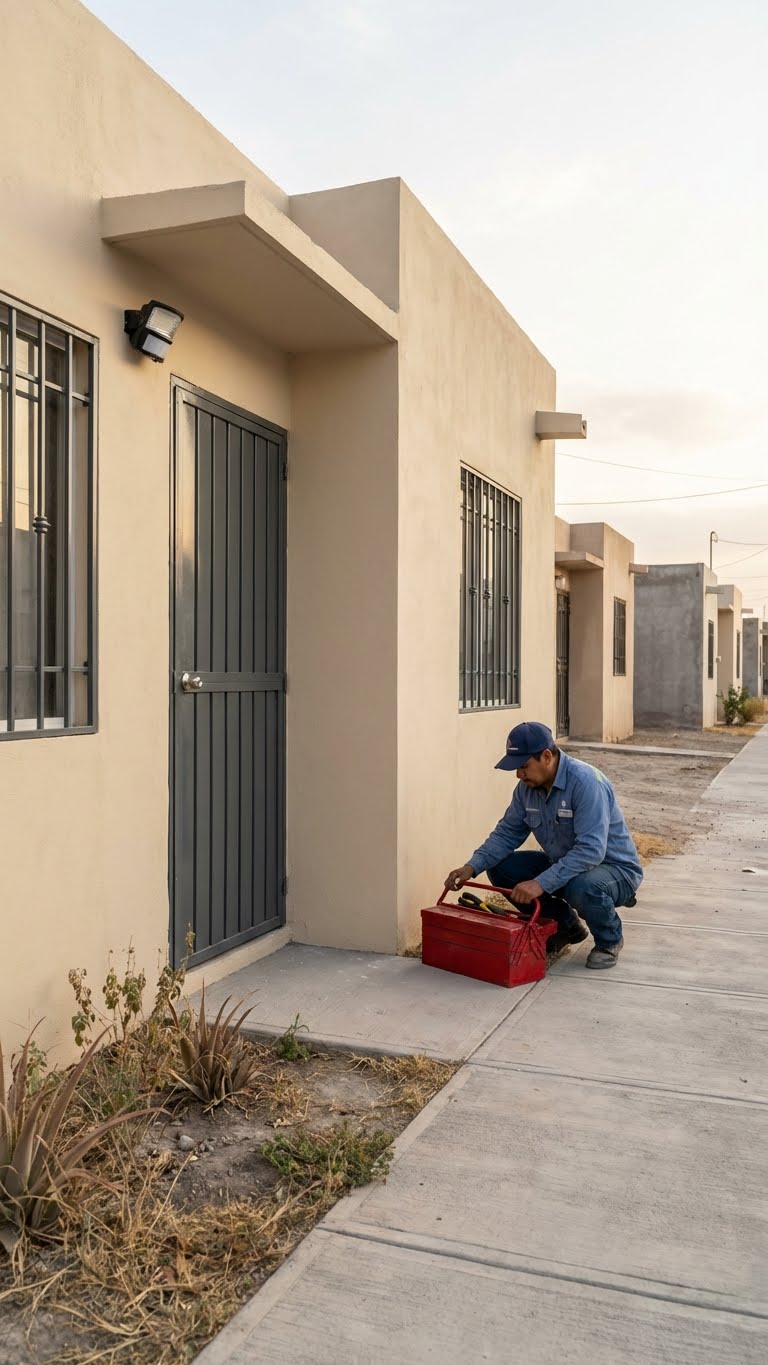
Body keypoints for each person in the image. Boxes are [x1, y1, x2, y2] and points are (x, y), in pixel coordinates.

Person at [445, 721, 643, 969]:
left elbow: (591, 851)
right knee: (500, 868)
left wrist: (541, 883)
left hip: (614, 870)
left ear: (547, 756)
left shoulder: (586, 783)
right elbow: (507, 833)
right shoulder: (526, 790)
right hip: (564, 864)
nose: (519, 775)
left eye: (524, 767)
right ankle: (565, 928)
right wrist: (472, 867)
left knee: (582, 886)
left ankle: (608, 940)